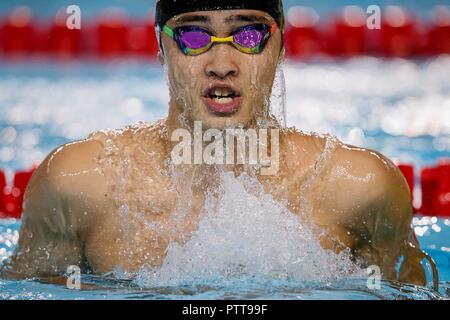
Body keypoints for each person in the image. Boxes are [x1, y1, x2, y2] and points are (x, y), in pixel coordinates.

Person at [1, 0, 435, 287]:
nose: (222, 64)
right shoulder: (78, 187)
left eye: (248, 36)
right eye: (193, 37)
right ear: (161, 48)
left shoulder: (360, 189)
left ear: (280, 44)